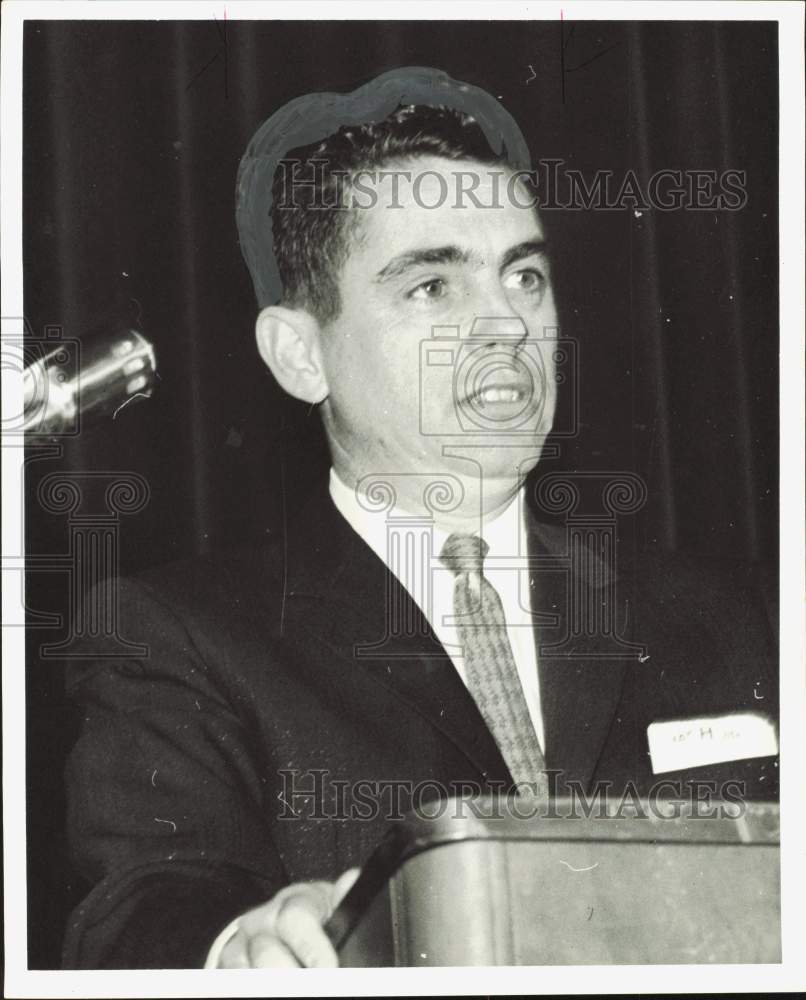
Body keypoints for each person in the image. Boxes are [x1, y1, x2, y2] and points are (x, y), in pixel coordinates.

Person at [62, 72, 778, 970]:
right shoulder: (178, 639)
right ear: (299, 355)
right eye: (433, 287)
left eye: (524, 275)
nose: (506, 325)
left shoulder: (747, 615)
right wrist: (238, 949)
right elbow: (147, 908)